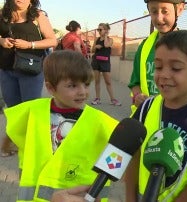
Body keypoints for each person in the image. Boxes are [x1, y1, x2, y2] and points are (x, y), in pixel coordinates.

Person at [4, 50, 119, 201]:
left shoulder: (99, 120)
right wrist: (6, 146)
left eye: (86, 84)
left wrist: (114, 172)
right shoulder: (33, 110)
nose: (82, 92)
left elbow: (124, 145)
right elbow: (12, 129)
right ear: (51, 88)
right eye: (72, 86)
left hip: (78, 195)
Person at [125, 30, 187, 202]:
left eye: (176, 68)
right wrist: (130, 197)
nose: (163, 75)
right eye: (158, 67)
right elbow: (133, 153)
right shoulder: (146, 107)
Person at [128, 0, 187, 113]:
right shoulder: (144, 47)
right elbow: (135, 83)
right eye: (154, 12)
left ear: (180, 9)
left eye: (165, 11)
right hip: (147, 117)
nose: (159, 18)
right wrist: (137, 97)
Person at [0, 0, 57, 157]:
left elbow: (52, 40)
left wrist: (29, 45)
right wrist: (1, 40)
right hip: (6, 70)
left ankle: (31, 147)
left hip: (30, 71)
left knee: (31, 110)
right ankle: (15, 144)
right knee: (13, 111)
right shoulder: (3, 15)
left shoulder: (38, 16)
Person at [90, 23, 121, 106]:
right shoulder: (97, 39)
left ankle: (113, 99)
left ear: (106, 30)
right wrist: (95, 47)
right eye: (98, 30)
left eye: (100, 30)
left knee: (108, 82)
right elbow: (92, 50)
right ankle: (97, 98)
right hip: (96, 61)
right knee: (97, 81)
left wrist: (106, 36)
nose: (99, 31)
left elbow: (107, 45)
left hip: (105, 62)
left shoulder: (110, 40)